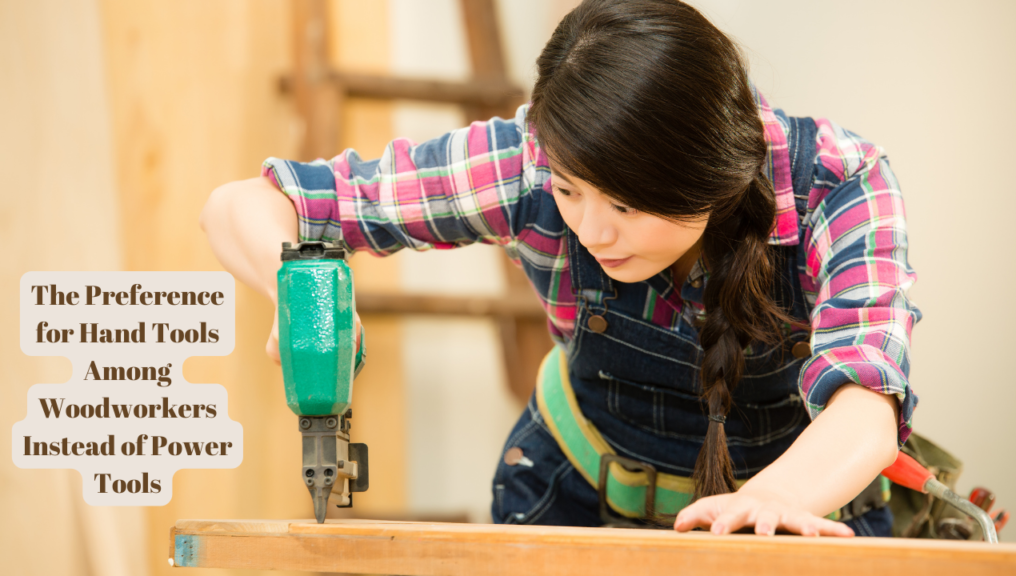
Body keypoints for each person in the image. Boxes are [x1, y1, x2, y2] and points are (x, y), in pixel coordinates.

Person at [200, 0, 919, 538]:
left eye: (630, 205)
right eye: (571, 192)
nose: (594, 230)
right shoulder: (526, 159)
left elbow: (867, 403)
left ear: (716, 173)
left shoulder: (837, 182)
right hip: (573, 499)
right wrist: (298, 288)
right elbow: (243, 206)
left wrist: (776, 499)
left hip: (796, 510)